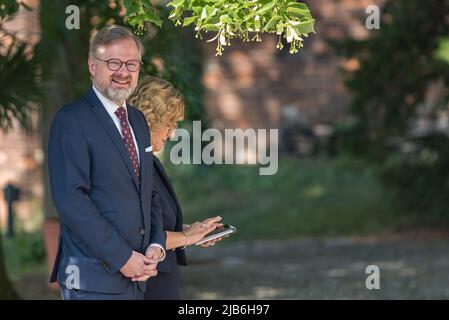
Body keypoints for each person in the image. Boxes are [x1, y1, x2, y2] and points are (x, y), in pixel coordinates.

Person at [48, 25, 166, 300]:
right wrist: (123, 257)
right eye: (113, 62)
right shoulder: (71, 120)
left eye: (131, 64)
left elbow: (148, 192)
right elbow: (71, 201)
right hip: (92, 281)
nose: (123, 72)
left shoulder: (138, 121)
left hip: (139, 276)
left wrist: (156, 245)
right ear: (92, 65)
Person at [128, 76, 224, 300]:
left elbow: (152, 222)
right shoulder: (133, 164)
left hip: (161, 275)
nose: (172, 133)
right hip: (148, 280)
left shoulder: (149, 160)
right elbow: (136, 233)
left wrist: (194, 231)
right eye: (169, 123)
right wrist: (186, 237)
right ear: (150, 119)